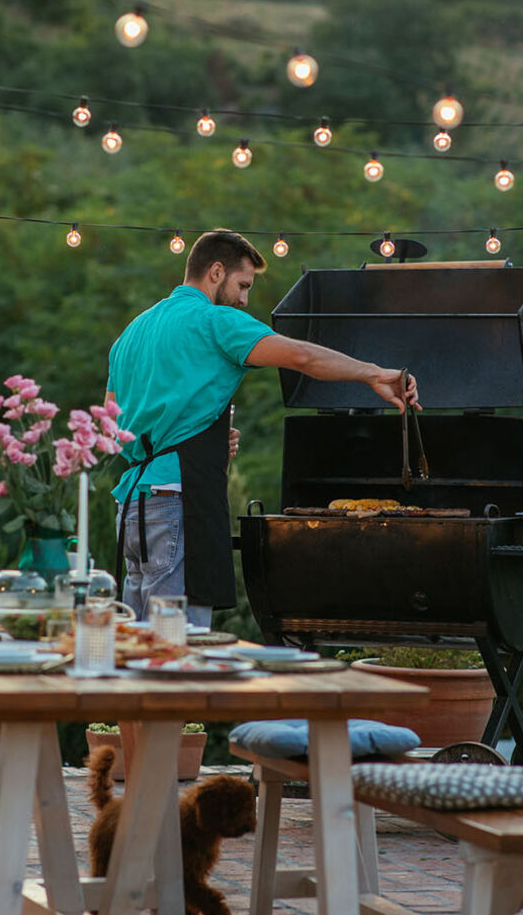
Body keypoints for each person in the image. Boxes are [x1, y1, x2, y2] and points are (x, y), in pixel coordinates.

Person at [106, 228, 419, 624]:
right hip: (176, 504)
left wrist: (202, 438)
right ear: (216, 272)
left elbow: (111, 426)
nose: (244, 299)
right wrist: (373, 373)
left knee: (135, 651)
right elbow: (302, 357)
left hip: (132, 505)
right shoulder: (215, 321)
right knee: (175, 654)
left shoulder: (131, 333)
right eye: (243, 284)